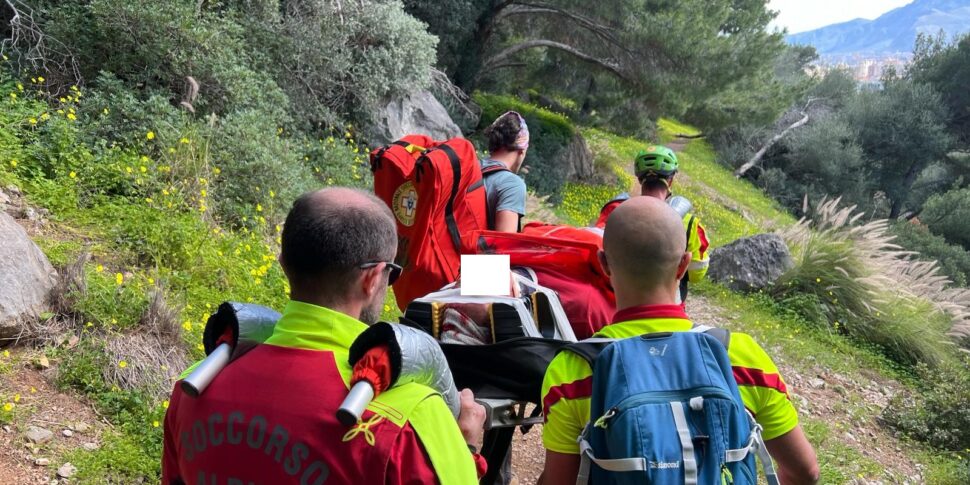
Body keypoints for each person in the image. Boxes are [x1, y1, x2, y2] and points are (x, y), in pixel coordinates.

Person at [162, 187, 487, 485]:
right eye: (391, 274)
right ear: (373, 278)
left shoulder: (192, 388)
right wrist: (467, 447)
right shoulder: (409, 419)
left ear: (283, 264)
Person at [539, 197, 820, 485]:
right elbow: (805, 471)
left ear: (604, 264)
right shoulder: (741, 356)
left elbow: (559, 480)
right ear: (683, 265)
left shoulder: (571, 370)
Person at [595, 145, 710, 303]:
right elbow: (697, 274)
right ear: (670, 180)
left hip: (617, 302)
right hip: (668, 307)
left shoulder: (615, 210)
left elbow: (595, 246)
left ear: (640, 179)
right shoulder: (689, 223)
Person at [481, 111, 529, 233]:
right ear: (521, 150)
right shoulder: (512, 185)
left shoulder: (471, 167)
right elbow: (502, 246)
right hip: (467, 251)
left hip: (440, 248)